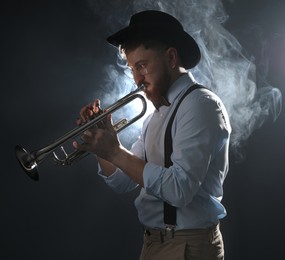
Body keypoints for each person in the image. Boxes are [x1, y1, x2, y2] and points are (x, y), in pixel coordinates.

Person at [73, 10, 231, 260]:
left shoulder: (200, 104)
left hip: (188, 246)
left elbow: (179, 190)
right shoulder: (155, 115)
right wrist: (103, 145)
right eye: (132, 69)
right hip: (154, 244)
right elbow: (123, 182)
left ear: (170, 57)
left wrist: (115, 151)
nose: (137, 79)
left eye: (142, 66)